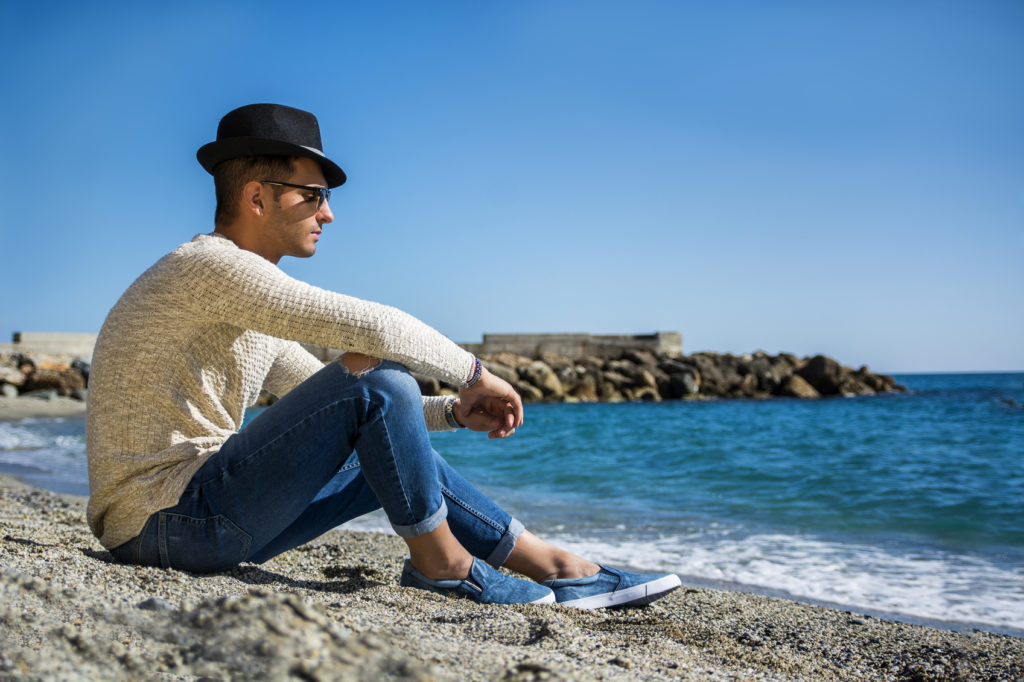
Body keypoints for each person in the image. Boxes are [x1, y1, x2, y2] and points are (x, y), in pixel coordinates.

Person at [86, 103, 681, 608]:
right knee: (378, 374)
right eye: (313, 195)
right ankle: (441, 565)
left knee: (379, 428)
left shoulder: (238, 295)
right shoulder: (209, 268)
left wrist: (450, 411)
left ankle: (554, 566)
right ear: (257, 197)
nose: (329, 213)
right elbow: (374, 331)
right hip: (164, 523)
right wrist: (476, 374)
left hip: (191, 524)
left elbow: (334, 400)